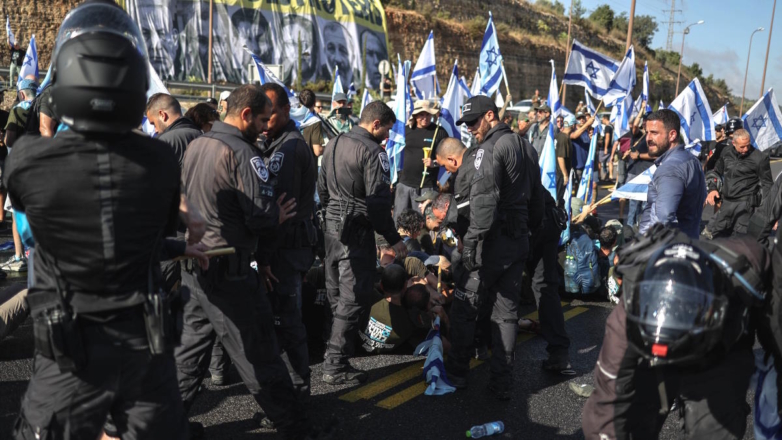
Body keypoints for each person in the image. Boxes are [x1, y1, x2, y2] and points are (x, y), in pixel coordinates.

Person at [8, 3, 204, 437]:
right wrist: (179, 245)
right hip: (144, 345)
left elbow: (48, 230)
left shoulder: (27, 162)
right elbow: (134, 235)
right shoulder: (159, 162)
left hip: (68, 351)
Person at [175, 84, 312, 439]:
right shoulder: (242, 153)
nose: (268, 127)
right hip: (227, 271)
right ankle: (297, 429)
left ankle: (164, 425)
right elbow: (260, 217)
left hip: (196, 267)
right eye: (264, 120)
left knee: (189, 357)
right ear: (246, 114)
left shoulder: (197, 144)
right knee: (261, 355)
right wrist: (276, 216)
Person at [582, 233, 770, 440]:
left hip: (717, 347)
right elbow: (605, 405)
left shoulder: (747, 269)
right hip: (650, 350)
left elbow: (774, 326)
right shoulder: (626, 319)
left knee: (714, 429)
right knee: (633, 422)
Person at [443, 95, 531, 400]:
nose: (469, 129)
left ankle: (456, 373)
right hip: (517, 240)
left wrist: (472, 241)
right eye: (465, 124)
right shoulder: (524, 145)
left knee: (466, 306)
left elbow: (483, 200)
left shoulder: (487, 150)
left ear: (490, 115)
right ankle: (501, 382)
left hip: (491, 242)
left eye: (473, 122)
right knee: (506, 313)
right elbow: (539, 198)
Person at [318, 101, 407, 385]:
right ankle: (335, 363)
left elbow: (321, 188)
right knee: (353, 298)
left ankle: (336, 355)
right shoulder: (372, 152)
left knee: (336, 296)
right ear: (375, 124)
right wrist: (393, 239)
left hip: (330, 229)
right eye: (387, 130)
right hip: (354, 232)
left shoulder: (333, 143)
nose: (388, 138)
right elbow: (378, 203)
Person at [258, 82, 318, 404]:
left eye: (270, 115)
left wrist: (265, 258)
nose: (264, 121)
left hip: (285, 251)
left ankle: (296, 394)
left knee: (287, 323)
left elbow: (282, 212)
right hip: (280, 250)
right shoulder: (274, 143)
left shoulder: (289, 149)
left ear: (284, 110)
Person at [638, 109, 706, 239]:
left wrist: (643, 249)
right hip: (687, 246)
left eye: (654, 133)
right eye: (647, 133)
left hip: (666, 251)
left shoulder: (670, 169)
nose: (648, 138)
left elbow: (663, 217)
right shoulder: (693, 161)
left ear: (672, 135)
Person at [701, 128, 772, 239]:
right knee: (714, 236)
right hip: (726, 204)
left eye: (748, 145)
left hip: (745, 205)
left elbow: (768, 185)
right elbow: (715, 172)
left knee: (739, 240)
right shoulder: (726, 152)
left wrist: (769, 213)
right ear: (734, 143)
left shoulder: (760, 158)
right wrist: (713, 189)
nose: (746, 149)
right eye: (742, 147)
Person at [2, 78, 38, 274]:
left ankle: (18, 256)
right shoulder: (43, 108)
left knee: (16, 214)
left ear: (22, 94)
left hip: (20, 168)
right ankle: (33, 253)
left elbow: (10, 140)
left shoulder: (17, 110)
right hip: (39, 167)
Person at [394, 99, 448, 222]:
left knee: (423, 224)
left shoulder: (439, 132)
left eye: (428, 114)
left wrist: (434, 163)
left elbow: (448, 159)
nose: (425, 117)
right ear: (415, 115)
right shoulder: (406, 130)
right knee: (399, 222)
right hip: (404, 185)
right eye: (421, 114)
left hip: (427, 187)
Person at [145, 93, 202, 168]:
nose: (155, 130)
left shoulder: (161, 142)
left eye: (154, 124)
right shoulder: (202, 135)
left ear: (162, 115)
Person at [624, 111, 654, 229]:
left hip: (648, 175)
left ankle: (642, 229)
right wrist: (631, 152)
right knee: (633, 204)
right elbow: (635, 126)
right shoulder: (640, 136)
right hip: (637, 174)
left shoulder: (654, 138)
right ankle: (630, 230)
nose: (645, 122)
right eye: (645, 120)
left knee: (644, 206)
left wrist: (639, 155)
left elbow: (656, 155)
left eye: (648, 120)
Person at [569, 112, 597, 194]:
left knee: (592, 186)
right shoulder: (573, 131)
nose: (581, 120)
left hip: (588, 165)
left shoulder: (587, 132)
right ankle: (577, 204)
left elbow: (594, 148)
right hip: (577, 166)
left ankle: (590, 205)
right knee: (579, 186)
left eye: (583, 118)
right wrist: (587, 124)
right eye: (579, 118)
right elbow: (574, 136)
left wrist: (592, 139)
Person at [298, 89, 326, 157]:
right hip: (307, 165)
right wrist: (330, 147)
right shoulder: (315, 121)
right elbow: (317, 151)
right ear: (314, 103)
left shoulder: (290, 118)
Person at [555, 115, 575, 205]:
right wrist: (565, 174)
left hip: (557, 173)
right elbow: (560, 157)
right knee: (559, 199)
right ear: (573, 126)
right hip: (560, 174)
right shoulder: (564, 138)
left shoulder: (559, 135)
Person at [598, 114, 614, 181]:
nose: (602, 120)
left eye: (602, 119)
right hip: (611, 146)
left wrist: (605, 148)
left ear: (605, 118)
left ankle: (599, 176)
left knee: (599, 161)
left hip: (606, 147)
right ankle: (610, 176)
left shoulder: (607, 127)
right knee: (610, 161)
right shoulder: (611, 126)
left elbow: (607, 137)